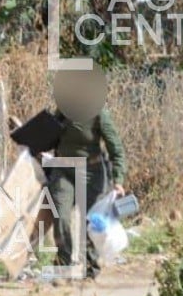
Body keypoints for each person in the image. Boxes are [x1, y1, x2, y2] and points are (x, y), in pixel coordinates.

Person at [46, 73, 127, 281]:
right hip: (64, 170)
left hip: (92, 173)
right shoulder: (62, 112)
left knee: (89, 222)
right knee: (61, 216)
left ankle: (90, 269)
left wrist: (118, 180)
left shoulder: (99, 114)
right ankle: (63, 265)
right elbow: (49, 138)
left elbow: (116, 149)